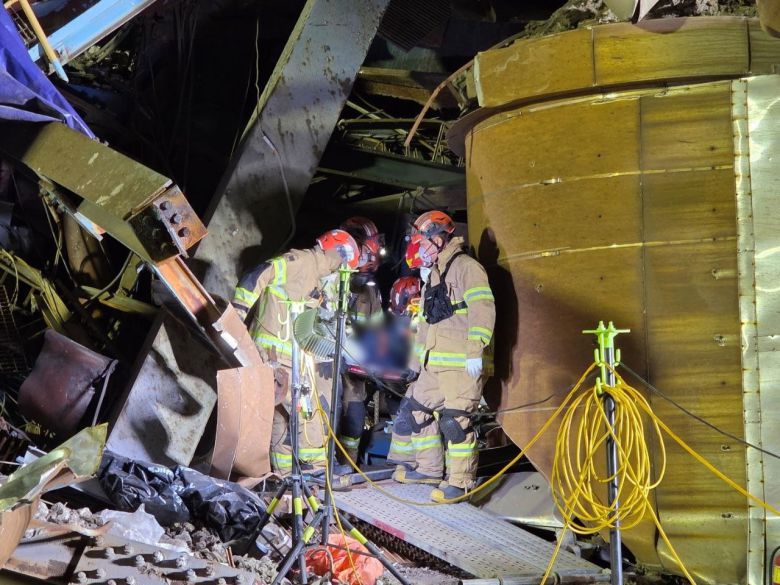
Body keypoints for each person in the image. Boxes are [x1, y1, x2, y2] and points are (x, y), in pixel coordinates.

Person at [231, 229, 360, 475]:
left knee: (280, 419)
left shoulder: (316, 276)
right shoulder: (299, 262)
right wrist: (237, 315)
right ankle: (317, 470)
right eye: (342, 266)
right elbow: (256, 276)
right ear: (336, 254)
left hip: (285, 357)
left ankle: (284, 473)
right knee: (307, 412)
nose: (339, 273)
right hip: (274, 356)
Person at [388, 211, 495, 501]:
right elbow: (425, 323)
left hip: (463, 364)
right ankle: (429, 469)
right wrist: (414, 365)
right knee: (414, 410)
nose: (420, 248)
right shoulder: (434, 274)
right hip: (435, 363)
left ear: (438, 238)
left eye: (423, 242)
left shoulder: (466, 268)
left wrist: (476, 350)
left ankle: (460, 484)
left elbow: (482, 308)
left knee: (455, 422)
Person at [336, 217, 385, 464]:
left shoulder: (369, 291)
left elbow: (376, 330)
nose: (372, 255)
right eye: (369, 248)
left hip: (355, 374)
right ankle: (322, 472)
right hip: (326, 369)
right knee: (324, 420)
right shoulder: (330, 279)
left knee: (353, 420)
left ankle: (347, 467)